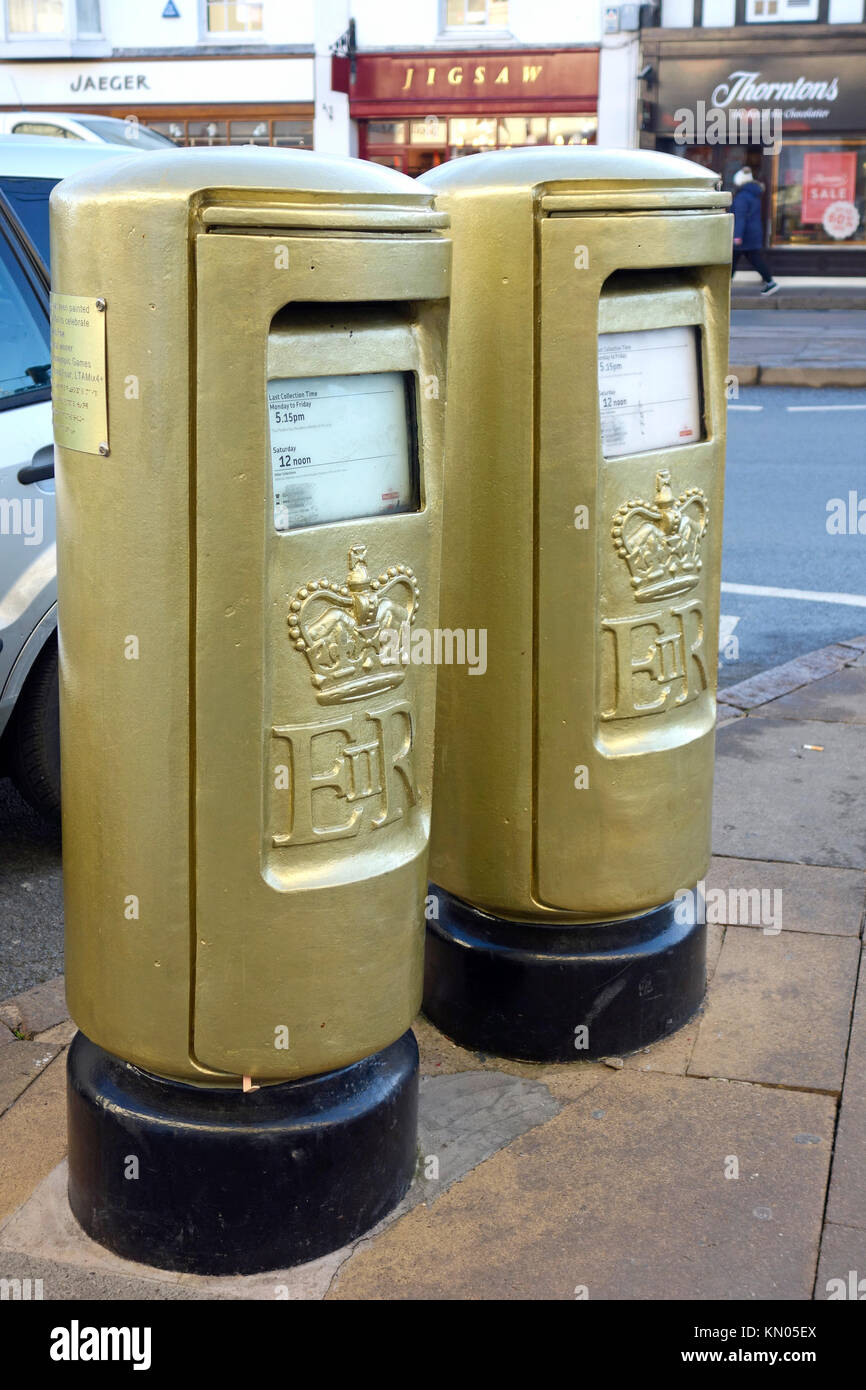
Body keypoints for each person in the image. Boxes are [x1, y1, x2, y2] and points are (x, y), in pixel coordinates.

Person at [731, 167, 779, 296]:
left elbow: (740, 217)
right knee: (752, 259)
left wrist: (737, 236)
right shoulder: (753, 194)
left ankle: (724, 287)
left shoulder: (742, 197)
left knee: (733, 260)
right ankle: (770, 282)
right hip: (752, 233)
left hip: (744, 235)